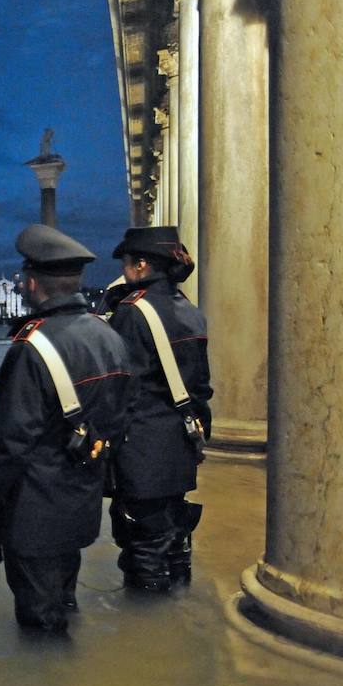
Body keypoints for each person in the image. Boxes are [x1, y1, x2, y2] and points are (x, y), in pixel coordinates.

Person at [0, 224, 131, 632]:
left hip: (34, 511)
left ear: (32, 283)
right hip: (82, 499)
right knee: (62, 599)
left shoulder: (31, 348)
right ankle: (70, 682)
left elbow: (9, 442)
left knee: (39, 620)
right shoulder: (108, 336)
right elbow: (120, 414)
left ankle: (48, 684)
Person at [107, 226, 213, 591]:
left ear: (140, 265)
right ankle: (179, 619)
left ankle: (147, 632)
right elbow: (201, 387)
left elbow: (122, 390)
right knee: (174, 534)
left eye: (125, 263)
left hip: (142, 450)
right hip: (180, 444)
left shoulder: (132, 312)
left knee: (143, 548)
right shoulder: (191, 311)